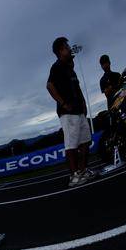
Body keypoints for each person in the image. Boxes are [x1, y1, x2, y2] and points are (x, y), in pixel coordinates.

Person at [47, 37, 94, 187]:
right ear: (60, 50)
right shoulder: (56, 67)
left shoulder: (69, 69)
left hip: (79, 111)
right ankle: (74, 176)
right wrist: (63, 103)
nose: (69, 49)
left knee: (86, 141)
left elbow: (77, 88)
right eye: (66, 47)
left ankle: (83, 171)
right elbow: (49, 86)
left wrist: (84, 104)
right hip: (68, 113)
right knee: (71, 145)